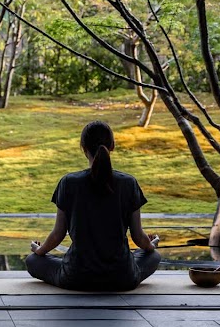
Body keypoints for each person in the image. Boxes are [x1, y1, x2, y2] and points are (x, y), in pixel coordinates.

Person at [25, 120, 161, 291]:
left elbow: (57, 235)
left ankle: (63, 263)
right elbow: (139, 237)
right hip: (122, 277)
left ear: (83, 148)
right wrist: (152, 245)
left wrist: (39, 251)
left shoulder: (69, 183)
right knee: (153, 256)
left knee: (32, 261)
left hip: (76, 276)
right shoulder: (128, 183)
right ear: (112, 146)